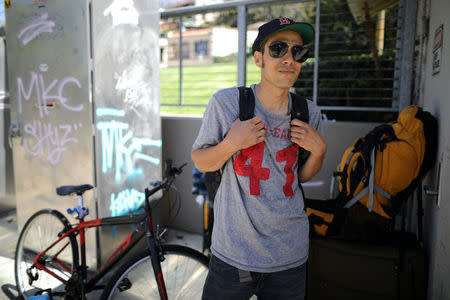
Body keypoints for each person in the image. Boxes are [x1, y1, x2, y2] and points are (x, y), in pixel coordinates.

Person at [191, 16, 327, 300]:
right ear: (258, 58)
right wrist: (232, 143)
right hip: (233, 254)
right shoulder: (227, 103)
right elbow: (201, 161)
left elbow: (300, 176)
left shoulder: (309, 112)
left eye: (298, 51)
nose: (289, 58)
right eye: (278, 49)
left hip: (289, 256)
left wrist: (319, 151)